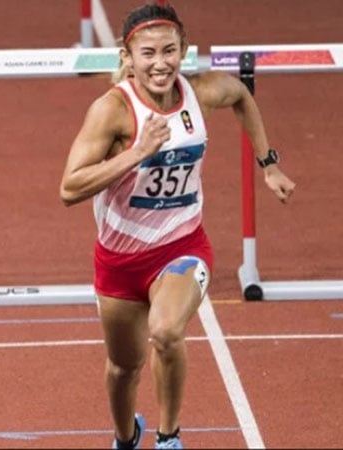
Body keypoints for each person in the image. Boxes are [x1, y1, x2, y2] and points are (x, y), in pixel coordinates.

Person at [59, 3, 295, 449]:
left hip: (181, 247)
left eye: (170, 51)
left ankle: (169, 438)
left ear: (184, 51)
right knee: (122, 369)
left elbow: (242, 96)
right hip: (119, 260)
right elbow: (69, 188)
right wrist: (136, 153)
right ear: (128, 57)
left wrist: (268, 164)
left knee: (166, 331)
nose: (161, 63)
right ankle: (127, 437)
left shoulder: (200, 93)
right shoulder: (112, 111)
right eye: (148, 53)